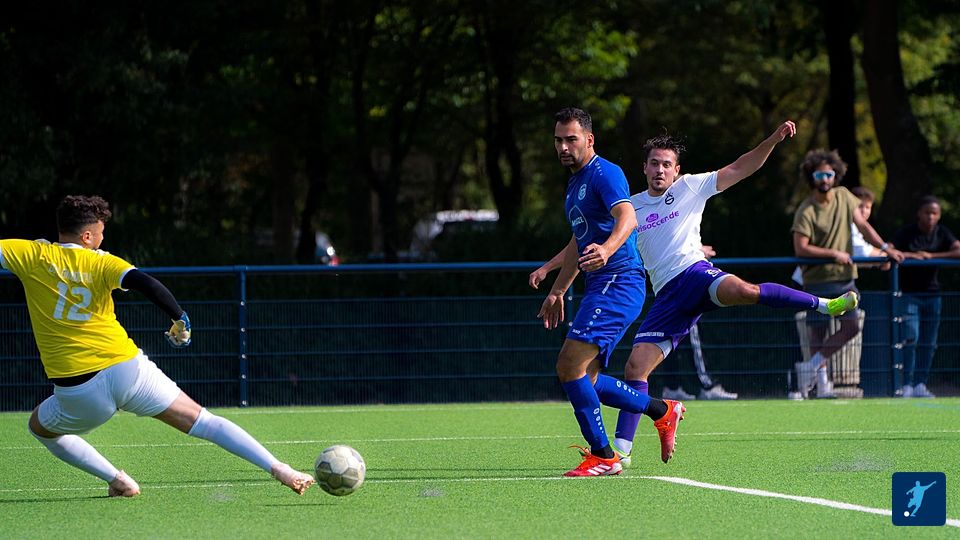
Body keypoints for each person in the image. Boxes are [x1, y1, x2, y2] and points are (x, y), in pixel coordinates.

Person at [0, 195, 314, 497]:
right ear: (86, 236)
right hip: (127, 370)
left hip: (79, 391)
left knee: (40, 428)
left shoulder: (32, 254)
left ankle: (118, 480)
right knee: (204, 421)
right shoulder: (102, 262)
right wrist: (179, 319)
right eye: (100, 233)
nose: (102, 239)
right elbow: (146, 283)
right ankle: (280, 468)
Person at [536, 107, 683, 477]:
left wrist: (607, 249)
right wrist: (557, 288)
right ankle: (662, 411)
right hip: (602, 284)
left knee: (568, 366)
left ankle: (604, 456)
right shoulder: (575, 184)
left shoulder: (606, 173)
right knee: (586, 378)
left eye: (571, 139)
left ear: (589, 140)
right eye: (558, 140)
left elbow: (628, 217)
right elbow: (578, 242)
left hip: (619, 281)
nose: (563, 147)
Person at [791, 149, 904, 397]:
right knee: (818, 332)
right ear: (811, 176)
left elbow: (862, 225)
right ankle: (821, 386)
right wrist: (833, 253)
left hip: (845, 279)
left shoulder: (844, 196)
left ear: (835, 175)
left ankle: (810, 367)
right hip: (818, 279)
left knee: (851, 326)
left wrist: (885, 248)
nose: (824, 179)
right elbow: (801, 248)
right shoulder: (806, 209)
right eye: (819, 175)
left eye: (829, 174)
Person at [891, 196, 960, 398]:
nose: (930, 217)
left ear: (939, 215)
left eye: (934, 213)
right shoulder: (907, 233)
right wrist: (912, 255)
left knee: (929, 342)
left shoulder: (943, 233)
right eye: (927, 212)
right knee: (911, 337)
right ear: (919, 214)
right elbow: (889, 249)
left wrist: (932, 256)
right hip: (909, 295)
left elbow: (958, 249)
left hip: (933, 295)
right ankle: (906, 384)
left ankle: (921, 383)